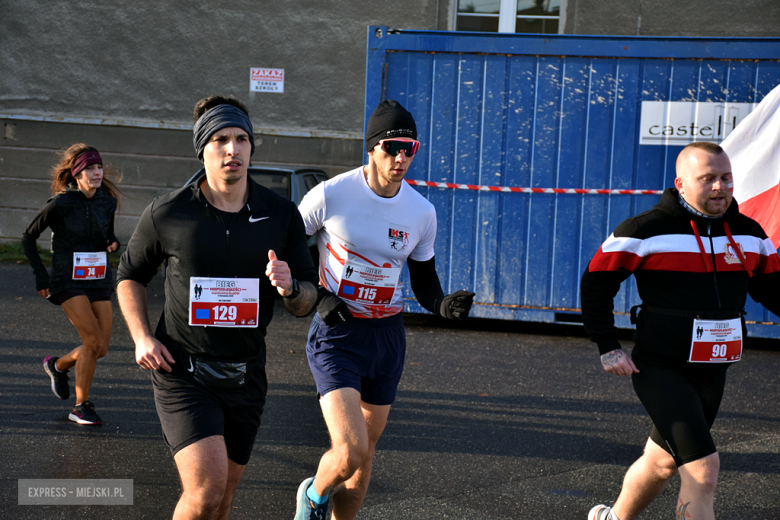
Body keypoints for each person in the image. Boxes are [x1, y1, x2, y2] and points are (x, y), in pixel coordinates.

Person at [116, 95, 318, 520]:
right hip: (183, 373)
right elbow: (130, 275)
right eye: (221, 139)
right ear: (203, 149)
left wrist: (290, 289)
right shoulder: (169, 212)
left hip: (246, 374)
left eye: (242, 139)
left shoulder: (280, 214)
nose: (233, 149)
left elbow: (307, 299)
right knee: (206, 490)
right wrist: (141, 336)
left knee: (223, 497)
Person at [294, 100, 475, 520]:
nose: (401, 158)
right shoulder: (331, 194)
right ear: (371, 149)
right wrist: (319, 297)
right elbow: (290, 247)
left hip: (386, 337)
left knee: (365, 453)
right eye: (393, 147)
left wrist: (442, 305)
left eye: (410, 148)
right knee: (350, 449)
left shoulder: (421, 212)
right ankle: (313, 496)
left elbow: (425, 280)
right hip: (337, 332)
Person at [580, 141, 780, 520]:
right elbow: (596, 283)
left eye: (726, 178)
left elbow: (772, 288)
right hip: (660, 368)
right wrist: (608, 345)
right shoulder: (645, 229)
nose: (720, 187)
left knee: (661, 463)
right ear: (682, 183)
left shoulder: (750, 233)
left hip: (714, 369)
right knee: (703, 473)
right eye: (708, 179)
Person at [22, 143, 121, 426]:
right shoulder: (60, 203)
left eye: (99, 166)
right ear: (77, 173)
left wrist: (112, 242)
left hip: (98, 276)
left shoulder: (107, 201)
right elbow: (28, 237)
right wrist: (41, 275)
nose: (97, 172)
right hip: (67, 278)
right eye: (90, 168)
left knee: (100, 348)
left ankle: (57, 365)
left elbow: (108, 235)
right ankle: (81, 406)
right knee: (92, 341)